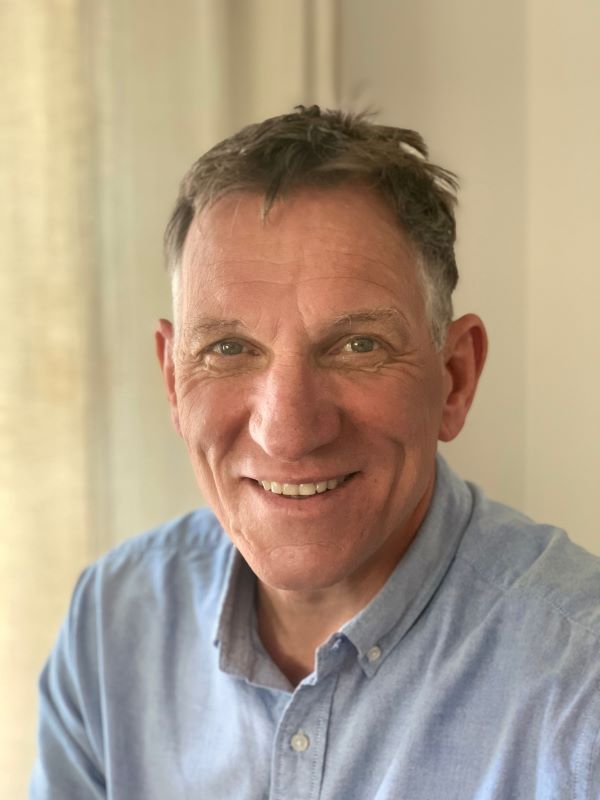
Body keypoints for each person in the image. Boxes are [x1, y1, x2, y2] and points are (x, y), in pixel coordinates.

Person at [31, 106, 600, 799]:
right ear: (173, 381)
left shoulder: (582, 684)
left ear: (455, 379)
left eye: (358, 346)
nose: (289, 431)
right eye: (228, 348)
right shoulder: (111, 624)